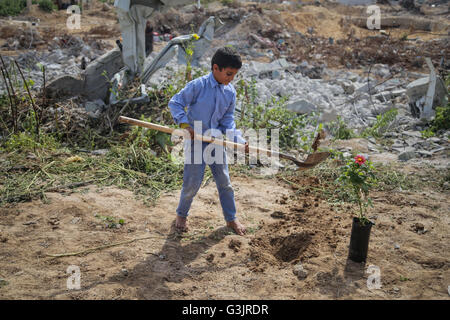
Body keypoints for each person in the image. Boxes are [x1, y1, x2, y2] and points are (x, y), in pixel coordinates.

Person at [168, 47, 249, 236]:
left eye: (234, 75)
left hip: (217, 142)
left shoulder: (230, 93)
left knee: (225, 182)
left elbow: (228, 121)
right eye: (228, 74)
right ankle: (181, 215)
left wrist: (239, 140)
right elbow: (176, 103)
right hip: (196, 140)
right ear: (215, 68)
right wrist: (184, 123)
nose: (231, 78)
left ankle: (231, 218)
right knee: (192, 182)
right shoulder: (198, 86)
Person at [114, 0, 192, 86]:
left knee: (134, 45)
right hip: (143, 6)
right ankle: (134, 79)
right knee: (137, 47)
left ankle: (132, 79)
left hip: (132, 5)